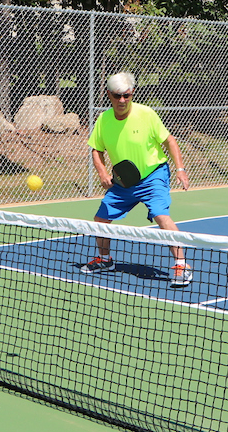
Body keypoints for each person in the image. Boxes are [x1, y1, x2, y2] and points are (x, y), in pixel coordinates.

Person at [82, 72, 193, 288]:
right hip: (123, 182)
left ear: (132, 94)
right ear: (109, 95)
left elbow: (169, 140)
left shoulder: (146, 114)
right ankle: (105, 260)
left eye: (126, 95)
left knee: (162, 217)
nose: (122, 100)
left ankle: (181, 265)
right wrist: (103, 174)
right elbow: (97, 150)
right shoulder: (103, 120)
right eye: (117, 96)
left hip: (153, 176)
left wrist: (180, 169)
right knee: (100, 220)